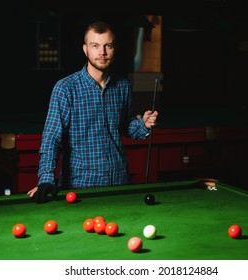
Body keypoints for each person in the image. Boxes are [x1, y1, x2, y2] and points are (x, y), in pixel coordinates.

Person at [27, 21, 158, 203]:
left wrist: (142, 124)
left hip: (119, 183)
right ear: (85, 49)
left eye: (108, 46)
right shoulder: (65, 88)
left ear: (114, 49)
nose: (102, 52)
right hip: (80, 187)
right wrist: (46, 179)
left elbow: (125, 126)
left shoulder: (123, 86)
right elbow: (51, 138)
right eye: (95, 46)